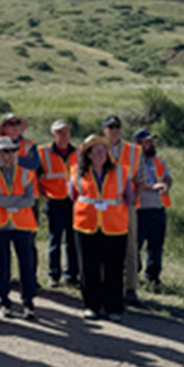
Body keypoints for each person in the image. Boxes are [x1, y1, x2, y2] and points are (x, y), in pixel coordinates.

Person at [71, 135, 132, 321]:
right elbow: (73, 195)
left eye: (103, 150)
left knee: (114, 268)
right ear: (88, 154)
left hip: (115, 226)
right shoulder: (77, 171)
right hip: (86, 226)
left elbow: (129, 198)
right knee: (89, 268)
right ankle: (92, 306)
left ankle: (114, 307)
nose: (100, 154)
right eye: (96, 151)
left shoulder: (120, 171)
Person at [0, 136, 39, 320]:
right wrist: (16, 201)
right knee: (3, 264)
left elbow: (31, 200)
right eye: (7, 151)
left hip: (22, 224)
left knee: (27, 263)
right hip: (0, 224)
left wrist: (8, 202)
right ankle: (4, 301)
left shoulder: (26, 174)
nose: (11, 154)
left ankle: (29, 302)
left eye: (13, 150)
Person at [103, 115, 144, 306]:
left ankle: (130, 289)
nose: (114, 130)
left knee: (130, 247)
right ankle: (108, 286)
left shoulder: (135, 151)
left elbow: (140, 179)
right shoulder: (98, 149)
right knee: (105, 246)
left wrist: (134, 199)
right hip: (104, 204)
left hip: (126, 205)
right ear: (104, 130)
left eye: (117, 126)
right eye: (110, 127)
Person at [39, 120, 79, 287]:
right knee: (55, 239)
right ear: (53, 135)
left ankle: (71, 275)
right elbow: (36, 177)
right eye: (60, 133)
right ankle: (54, 274)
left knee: (73, 239)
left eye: (67, 132)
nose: (64, 136)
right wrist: (44, 196)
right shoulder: (43, 152)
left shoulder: (78, 152)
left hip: (73, 202)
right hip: (54, 201)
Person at [132, 129, 172, 289]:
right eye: (146, 141)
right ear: (138, 144)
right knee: (136, 245)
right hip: (139, 209)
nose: (150, 144)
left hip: (158, 208)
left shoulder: (158, 160)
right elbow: (131, 182)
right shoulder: (132, 161)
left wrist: (166, 186)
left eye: (151, 141)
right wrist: (152, 186)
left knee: (156, 245)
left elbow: (167, 177)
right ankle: (132, 276)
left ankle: (153, 277)